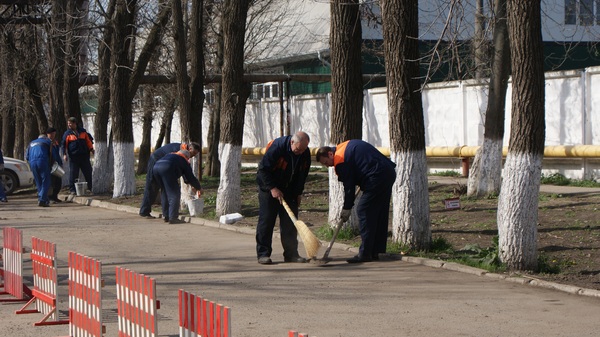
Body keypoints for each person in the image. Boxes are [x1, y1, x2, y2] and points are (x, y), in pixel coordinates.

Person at [316, 140, 396, 263]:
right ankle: (376, 251)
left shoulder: (340, 160)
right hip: (387, 172)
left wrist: (347, 208)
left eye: (326, 162)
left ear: (330, 154)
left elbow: (349, 187)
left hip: (376, 176)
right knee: (379, 211)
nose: (328, 166)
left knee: (363, 210)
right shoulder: (344, 148)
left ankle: (365, 253)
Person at [255, 131, 311, 265]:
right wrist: (272, 188)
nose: (300, 152)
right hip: (268, 188)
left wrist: (298, 193)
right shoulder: (277, 147)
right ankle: (263, 254)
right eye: (298, 149)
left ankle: (291, 254)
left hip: (289, 190)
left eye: (303, 149)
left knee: (290, 223)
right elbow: (263, 170)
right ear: (292, 142)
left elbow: (302, 175)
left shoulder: (305, 153)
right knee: (267, 221)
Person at [139, 142, 201, 218]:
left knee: (165, 188)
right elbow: (186, 171)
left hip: (161, 165)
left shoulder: (183, 151)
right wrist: (195, 185)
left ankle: (168, 214)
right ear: (190, 149)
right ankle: (144, 211)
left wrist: (191, 184)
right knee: (152, 185)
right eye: (193, 153)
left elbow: (184, 171)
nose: (192, 156)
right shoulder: (179, 150)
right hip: (156, 160)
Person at [152, 149, 202, 224]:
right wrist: (198, 188)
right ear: (186, 156)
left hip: (156, 168)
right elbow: (190, 177)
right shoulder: (183, 160)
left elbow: (185, 177)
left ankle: (166, 215)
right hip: (167, 168)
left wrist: (191, 185)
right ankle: (173, 217)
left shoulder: (171, 155)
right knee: (174, 194)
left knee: (165, 191)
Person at [61, 117, 94, 194]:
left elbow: (88, 142)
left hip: (84, 156)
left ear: (75, 123)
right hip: (74, 157)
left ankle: (90, 188)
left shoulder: (83, 132)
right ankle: (72, 189)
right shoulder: (67, 134)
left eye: (70, 123)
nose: (69, 125)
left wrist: (91, 149)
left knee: (88, 172)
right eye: (68, 123)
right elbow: (64, 145)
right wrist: (64, 154)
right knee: (73, 173)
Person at [26, 134, 53, 207]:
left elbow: (27, 156)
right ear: (45, 138)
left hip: (32, 162)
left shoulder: (31, 143)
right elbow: (51, 154)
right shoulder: (47, 142)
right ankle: (42, 200)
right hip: (42, 161)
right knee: (46, 181)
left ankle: (43, 199)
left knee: (38, 182)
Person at [46, 127, 63, 203]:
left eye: (54, 134)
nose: (53, 135)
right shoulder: (46, 142)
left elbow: (57, 154)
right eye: (51, 134)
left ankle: (55, 196)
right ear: (48, 134)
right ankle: (50, 198)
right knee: (51, 183)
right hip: (50, 165)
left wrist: (60, 163)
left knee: (58, 182)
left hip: (57, 165)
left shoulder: (55, 142)